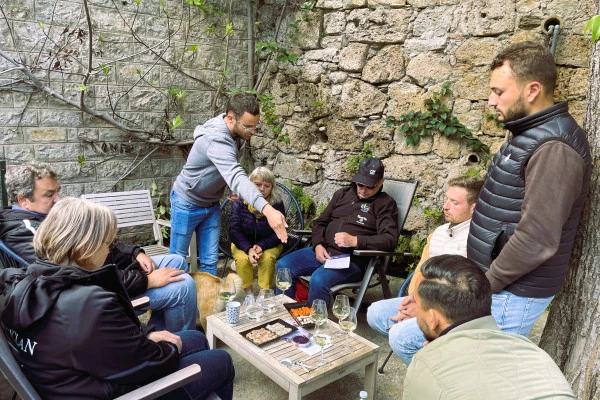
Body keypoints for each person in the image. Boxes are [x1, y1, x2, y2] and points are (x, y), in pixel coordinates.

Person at [0, 198, 234, 400]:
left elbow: (99, 343)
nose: (110, 250)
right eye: (108, 243)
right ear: (84, 249)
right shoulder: (88, 304)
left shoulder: (23, 282)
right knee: (220, 360)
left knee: (195, 338)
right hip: (120, 391)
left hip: (74, 380)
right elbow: (147, 365)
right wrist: (168, 348)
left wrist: (147, 335)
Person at [467, 42, 592, 336]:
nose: (490, 101)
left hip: (513, 293)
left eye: (498, 92)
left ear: (532, 91)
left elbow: (537, 238)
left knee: (490, 376)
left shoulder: (554, 149)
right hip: (500, 285)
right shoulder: (529, 133)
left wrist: (487, 284)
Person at [0, 163, 197, 332]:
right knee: (183, 285)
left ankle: (162, 329)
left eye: (58, 191)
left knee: (176, 261)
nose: (59, 199)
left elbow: (96, 239)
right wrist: (146, 281)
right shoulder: (26, 233)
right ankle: (180, 342)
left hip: (110, 272)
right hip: (100, 293)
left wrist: (134, 253)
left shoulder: (47, 217)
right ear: (22, 200)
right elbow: (82, 278)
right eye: (49, 194)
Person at [402, 254, 574, 399]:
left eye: (417, 303)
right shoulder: (532, 351)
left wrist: (431, 359)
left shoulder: (426, 366)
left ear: (433, 319)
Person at [366, 176, 483, 365]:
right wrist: (413, 300)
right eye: (446, 199)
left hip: (452, 314)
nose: (445, 206)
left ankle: (432, 376)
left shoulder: (476, 242)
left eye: (454, 203)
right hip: (425, 300)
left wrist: (421, 310)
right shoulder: (439, 233)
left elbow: (461, 292)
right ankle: (428, 358)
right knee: (375, 312)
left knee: (399, 336)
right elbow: (421, 271)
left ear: (474, 207)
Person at [170, 92, 288, 276]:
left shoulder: (236, 133)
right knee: (176, 262)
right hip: (187, 202)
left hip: (211, 205)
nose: (252, 132)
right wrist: (267, 209)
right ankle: (177, 303)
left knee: (210, 262)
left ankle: (208, 304)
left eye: (255, 126)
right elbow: (236, 173)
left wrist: (229, 186)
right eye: (248, 126)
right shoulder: (216, 138)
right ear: (230, 118)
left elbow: (224, 168)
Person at [275, 157, 399, 307]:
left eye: (370, 186)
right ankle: (284, 314)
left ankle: (316, 324)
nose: (363, 190)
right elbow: (320, 223)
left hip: (351, 261)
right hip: (324, 251)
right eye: (360, 184)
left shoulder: (385, 204)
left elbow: (389, 240)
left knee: (318, 280)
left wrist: (355, 241)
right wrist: (318, 245)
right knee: (283, 266)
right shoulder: (342, 194)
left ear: (380, 182)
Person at [229, 167, 285, 298]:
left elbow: (280, 232)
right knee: (242, 260)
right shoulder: (239, 201)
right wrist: (248, 249)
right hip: (242, 244)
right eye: (258, 184)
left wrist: (262, 245)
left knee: (267, 258)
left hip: (270, 244)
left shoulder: (276, 204)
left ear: (272, 187)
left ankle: (263, 294)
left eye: (267, 186)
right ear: (250, 184)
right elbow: (234, 230)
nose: (262, 189)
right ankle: (249, 294)